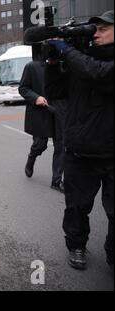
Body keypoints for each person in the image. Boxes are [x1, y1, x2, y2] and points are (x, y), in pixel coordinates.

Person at [45, 10, 114, 271]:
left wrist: (67, 51)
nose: (95, 34)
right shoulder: (80, 59)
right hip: (80, 151)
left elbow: (100, 74)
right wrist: (52, 63)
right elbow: (55, 93)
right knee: (76, 208)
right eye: (93, 29)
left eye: (103, 29)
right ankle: (76, 245)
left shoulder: (86, 62)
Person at [19, 60, 66, 193]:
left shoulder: (65, 64)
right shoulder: (32, 66)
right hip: (42, 111)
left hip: (60, 110)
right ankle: (32, 157)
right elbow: (23, 88)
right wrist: (36, 98)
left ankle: (56, 181)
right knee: (40, 144)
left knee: (61, 145)